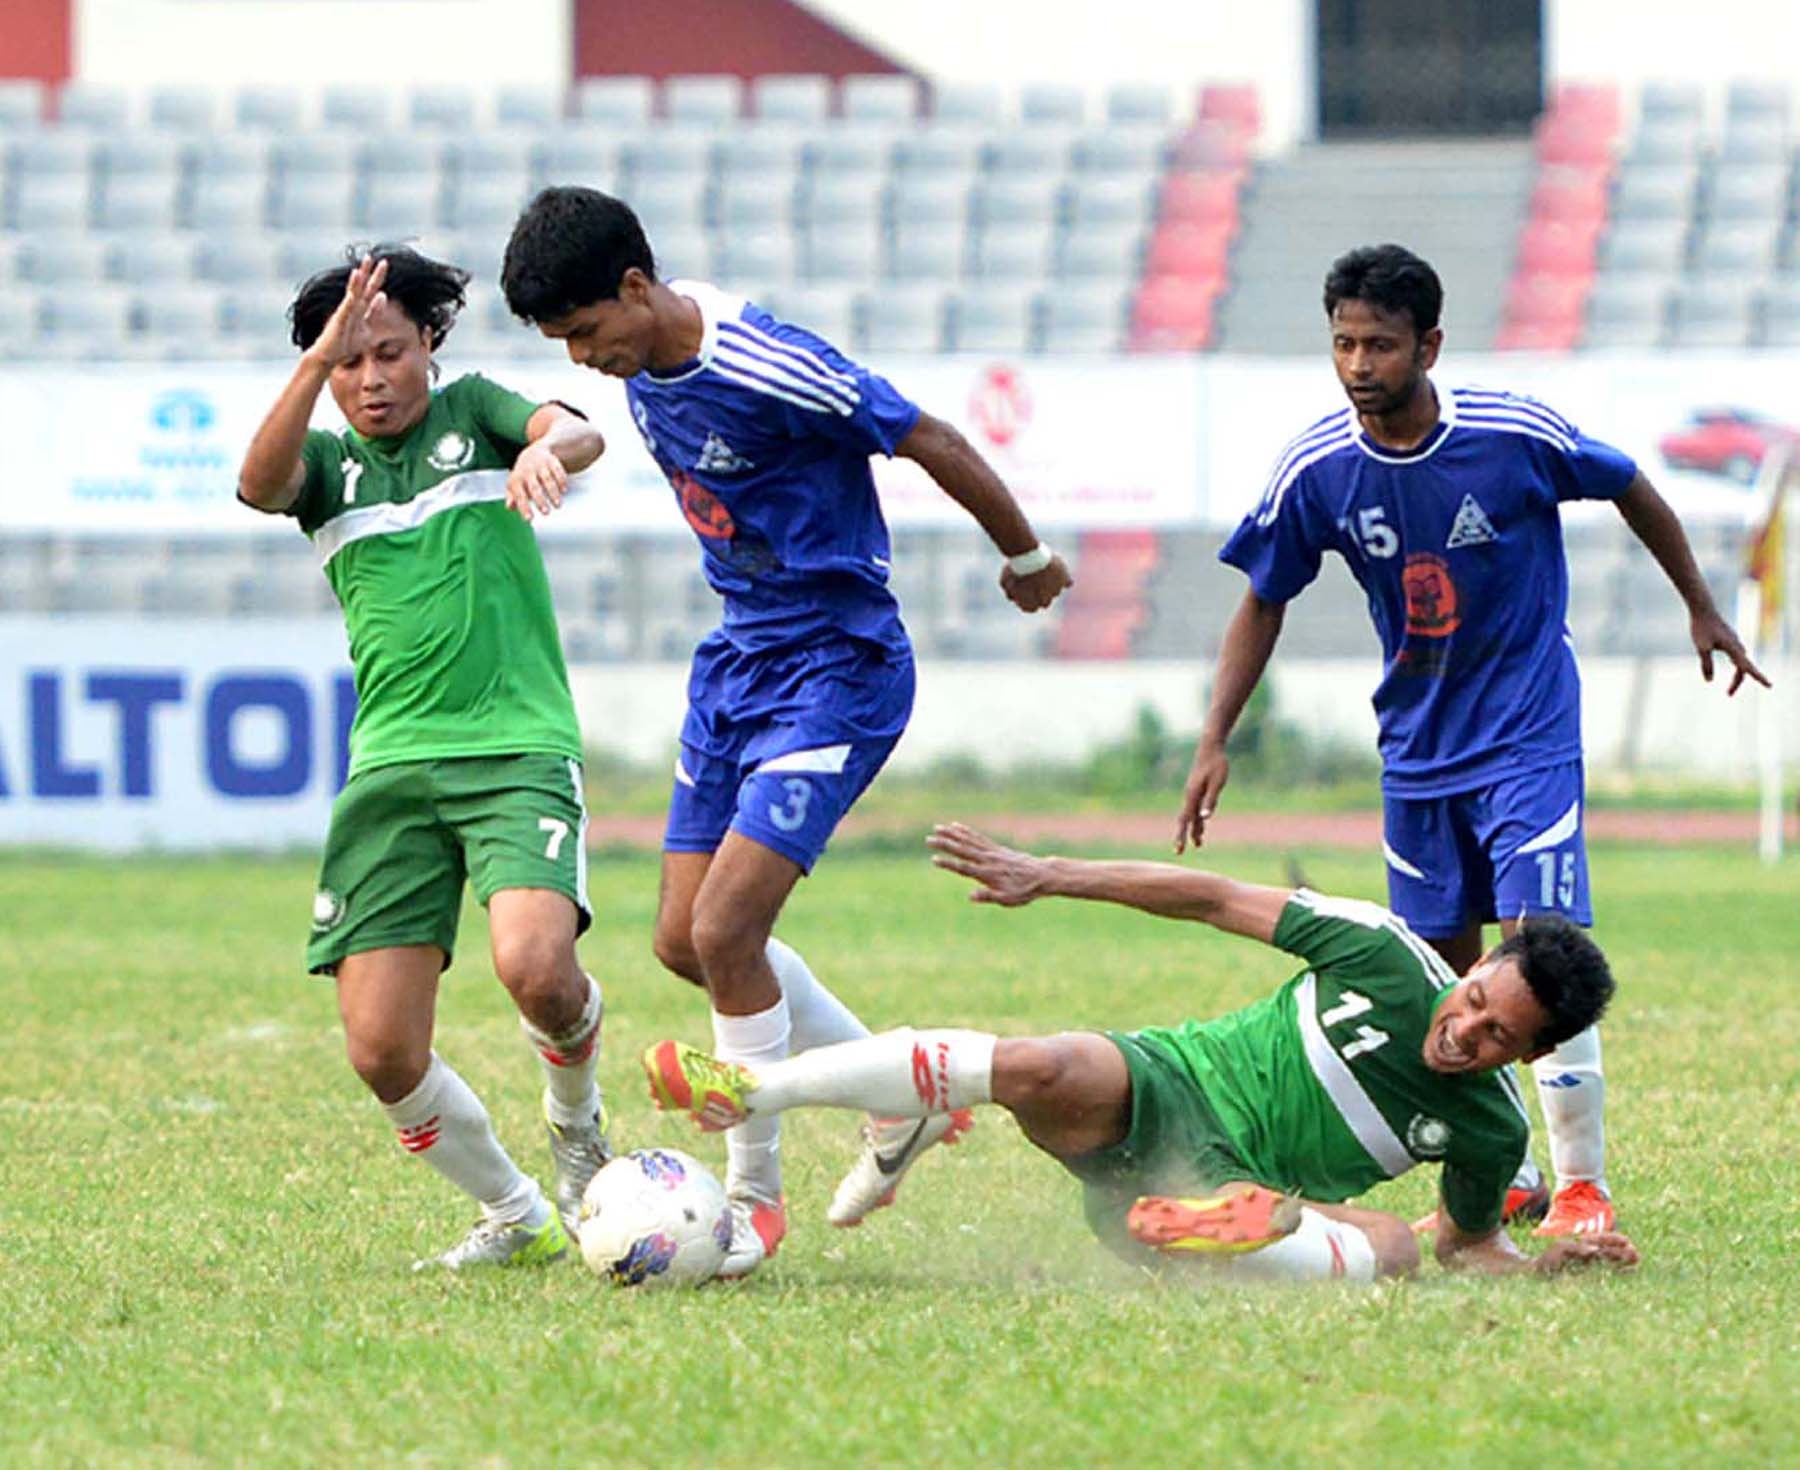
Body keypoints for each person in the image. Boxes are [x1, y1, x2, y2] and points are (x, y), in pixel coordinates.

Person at [500, 186, 1074, 1276]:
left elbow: (928, 436)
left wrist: (1026, 556)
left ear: (635, 288)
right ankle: (892, 1098)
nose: (582, 359)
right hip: (739, 663)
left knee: (725, 937)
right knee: (682, 940)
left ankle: (751, 1205)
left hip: (839, 664)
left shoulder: (767, 363)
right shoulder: (642, 364)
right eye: (562, 345)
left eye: (586, 332)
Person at [1172, 243, 1769, 1237]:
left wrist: (1701, 608)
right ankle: (1513, 1174)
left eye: (1381, 345)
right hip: (1416, 754)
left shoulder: (1511, 436)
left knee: (1538, 952)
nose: (1360, 365)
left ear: (1430, 345)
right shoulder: (1318, 468)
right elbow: (1264, 598)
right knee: (1444, 985)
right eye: (1344, 344)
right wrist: (1213, 738)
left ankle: (1582, 1189)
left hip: (1528, 736)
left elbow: (1630, 485)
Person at [644, 823, 1641, 1282]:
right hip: (1167, 1087)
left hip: (1219, 1189)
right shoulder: (1380, 953)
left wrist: (1552, 1264)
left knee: (1392, 1250)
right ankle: (751, 1085)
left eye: (1496, 1035)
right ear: (1472, 973)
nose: (1463, 1028)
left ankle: (1217, 1228)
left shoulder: (1486, 1127)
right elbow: (1210, 897)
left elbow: (1469, 1244)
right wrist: (1050, 874)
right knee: (1041, 1065)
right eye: (1473, 999)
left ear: (1532, 1053)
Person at [238, 246, 612, 1271]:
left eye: (389, 353)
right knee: (381, 1049)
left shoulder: (477, 411)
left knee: (536, 968)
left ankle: (578, 1126)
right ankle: (515, 1214)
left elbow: (578, 429)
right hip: (391, 771)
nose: (371, 378)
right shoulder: (323, 465)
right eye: (349, 361)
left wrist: (549, 452)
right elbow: (255, 485)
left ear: (430, 347)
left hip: (515, 746)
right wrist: (310, 367)